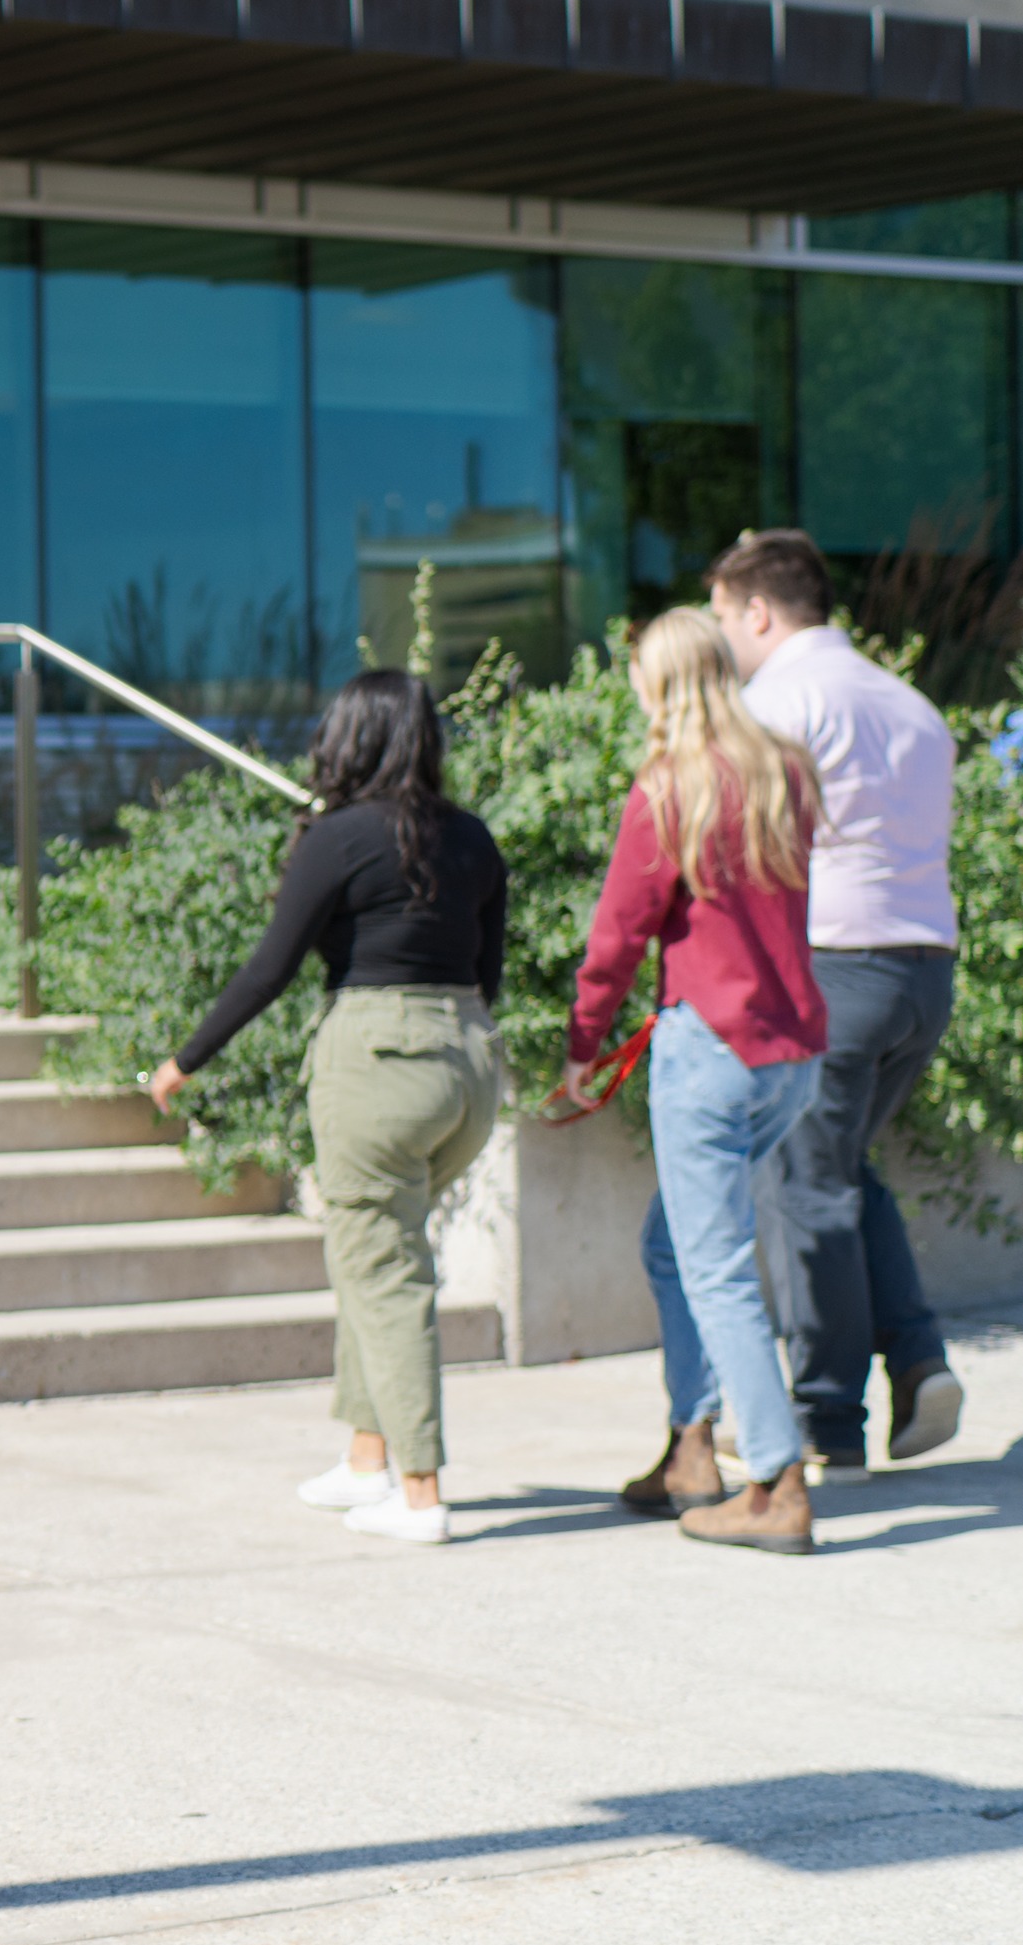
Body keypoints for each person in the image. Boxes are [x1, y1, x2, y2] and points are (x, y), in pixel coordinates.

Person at [147, 673, 506, 1546]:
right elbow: (486, 971)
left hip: (375, 1061)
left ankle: (418, 1495)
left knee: (381, 1268)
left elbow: (270, 967)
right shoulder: (471, 837)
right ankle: (364, 1459)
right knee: (371, 1253)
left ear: (345, 739)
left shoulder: (337, 838)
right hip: (465, 1063)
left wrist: (183, 1060)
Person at [569, 605, 828, 1555]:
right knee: (676, 1246)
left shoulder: (668, 786)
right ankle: (690, 1449)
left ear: (659, 681)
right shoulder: (784, 771)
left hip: (711, 1048)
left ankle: (774, 1482)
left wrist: (581, 1043)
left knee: (713, 1266)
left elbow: (615, 936)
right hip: (790, 1049)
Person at [716, 530, 967, 1478]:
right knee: (838, 1167)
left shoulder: (778, 699)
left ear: (757, 610)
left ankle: (826, 1419)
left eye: (722, 616)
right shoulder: (911, 704)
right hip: (921, 971)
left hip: (831, 965)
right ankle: (914, 1357)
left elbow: (753, 849)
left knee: (803, 1184)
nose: (722, 639)